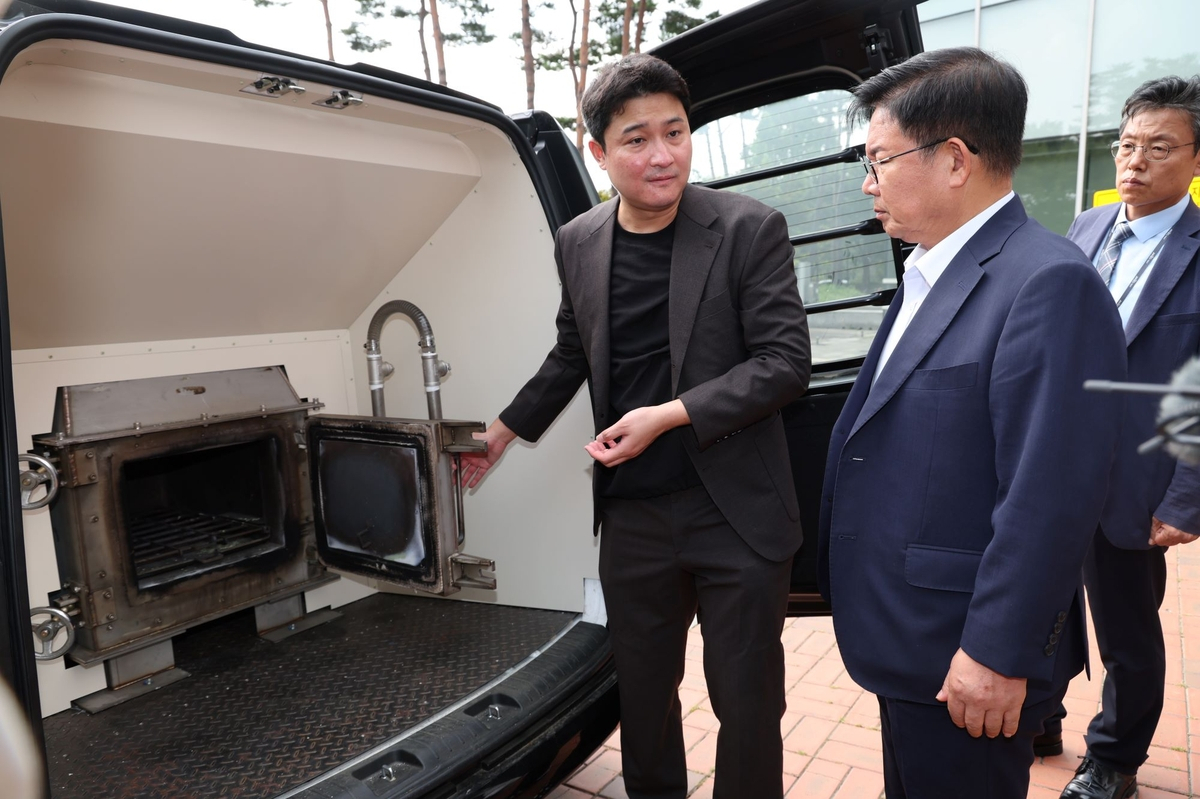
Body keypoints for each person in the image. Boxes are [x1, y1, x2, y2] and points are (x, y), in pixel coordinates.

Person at [458, 54, 810, 799]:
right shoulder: (578, 241)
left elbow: (785, 363)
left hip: (735, 511)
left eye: (675, 132)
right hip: (633, 515)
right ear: (599, 151)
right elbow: (572, 351)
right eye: (637, 139)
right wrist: (500, 431)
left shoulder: (749, 228)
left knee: (748, 705)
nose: (662, 155)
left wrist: (670, 415)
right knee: (644, 704)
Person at [817, 47, 1127, 798]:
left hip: (966, 656)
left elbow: (1049, 494)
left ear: (954, 159)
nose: (868, 183)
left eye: (880, 160)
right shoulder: (932, 266)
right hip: (911, 638)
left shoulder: (1047, 282)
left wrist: (997, 651)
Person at [1040, 74, 1200, 799]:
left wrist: (1188, 500)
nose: (1134, 161)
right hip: (1053, 460)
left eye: (1159, 148)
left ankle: (1113, 758)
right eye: (1127, 144)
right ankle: (1039, 710)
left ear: (1197, 161)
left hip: (1136, 478)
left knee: (1128, 631)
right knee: (1036, 593)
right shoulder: (1087, 226)